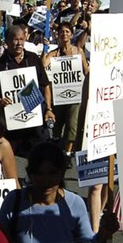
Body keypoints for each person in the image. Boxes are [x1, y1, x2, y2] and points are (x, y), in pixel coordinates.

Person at [0, 25, 55, 156]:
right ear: (7, 42)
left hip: (34, 123)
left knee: (38, 158)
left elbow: (45, 85)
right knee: (10, 160)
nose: (19, 43)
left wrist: (49, 109)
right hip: (10, 125)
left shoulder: (33, 59)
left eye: (22, 39)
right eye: (15, 39)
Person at [43, 21, 89, 154]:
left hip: (75, 93)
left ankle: (68, 153)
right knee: (58, 123)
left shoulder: (78, 51)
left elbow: (86, 71)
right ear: (57, 35)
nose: (64, 34)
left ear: (72, 34)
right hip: (59, 94)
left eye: (67, 31)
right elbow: (44, 64)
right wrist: (44, 49)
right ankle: (57, 146)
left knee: (72, 124)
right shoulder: (54, 53)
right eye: (62, 32)